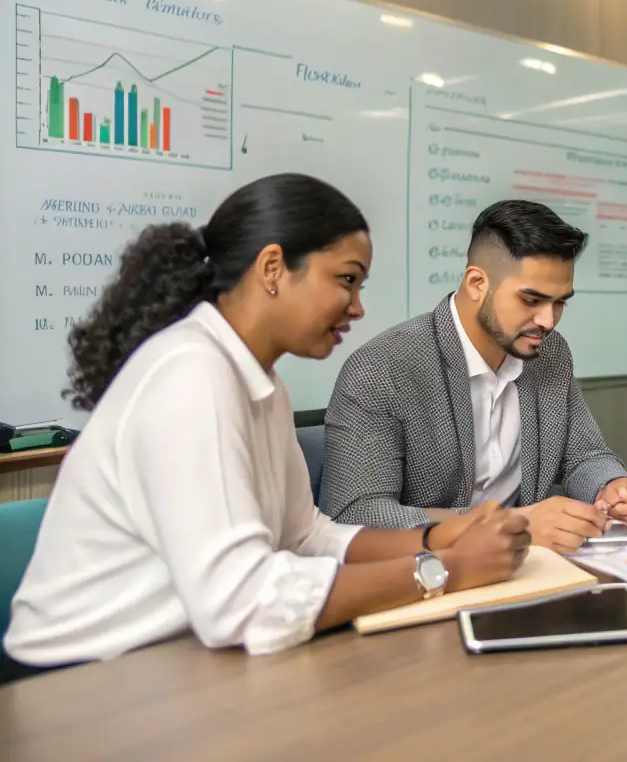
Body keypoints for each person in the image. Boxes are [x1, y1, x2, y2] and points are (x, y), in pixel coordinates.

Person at [1, 174, 530, 686]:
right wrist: (449, 569)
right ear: (273, 267)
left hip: (175, 664)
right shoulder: (191, 373)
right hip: (78, 685)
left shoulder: (259, 380)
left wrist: (435, 538)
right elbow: (241, 600)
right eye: (346, 279)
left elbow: (304, 537)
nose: (358, 306)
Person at [322, 199, 627, 554]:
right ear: (477, 283)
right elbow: (356, 514)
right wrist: (516, 525)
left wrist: (612, 488)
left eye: (560, 302)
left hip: (532, 569)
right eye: (532, 300)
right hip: (430, 578)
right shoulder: (382, 368)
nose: (548, 320)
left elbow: (583, 456)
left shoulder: (550, 353)